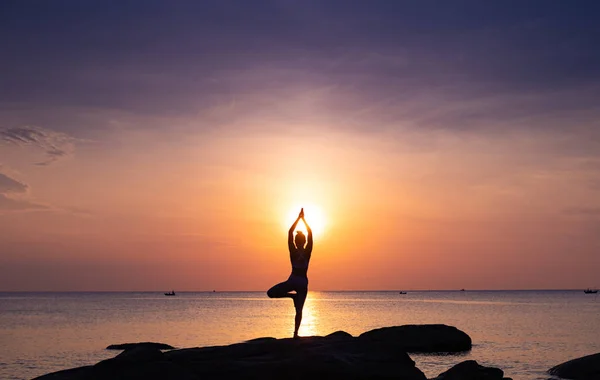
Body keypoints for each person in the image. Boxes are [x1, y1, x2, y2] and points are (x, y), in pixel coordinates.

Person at [267, 208, 313, 338]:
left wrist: (299, 219)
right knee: (298, 309)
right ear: (302, 242)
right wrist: (303, 220)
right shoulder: (302, 251)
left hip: (299, 281)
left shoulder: (303, 251)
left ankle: (296, 334)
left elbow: (291, 232)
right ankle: (292, 297)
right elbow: (308, 233)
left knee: (299, 309)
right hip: (296, 280)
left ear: (299, 241)